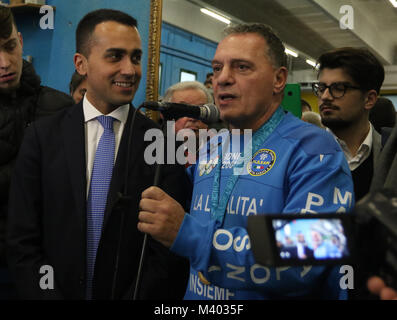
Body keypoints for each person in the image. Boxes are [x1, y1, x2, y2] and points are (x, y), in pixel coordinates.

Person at [138, 23, 354, 300]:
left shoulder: (315, 150)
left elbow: (307, 257)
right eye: (217, 68)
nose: (223, 79)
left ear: (279, 80)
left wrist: (189, 235)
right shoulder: (211, 147)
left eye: (241, 67)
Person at [7, 9, 190, 300]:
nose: (130, 70)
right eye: (115, 56)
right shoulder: (42, 137)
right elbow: (21, 239)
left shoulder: (164, 144)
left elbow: (167, 253)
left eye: (136, 57)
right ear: (81, 64)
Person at [0, 7, 74, 299]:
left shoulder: (63, 109)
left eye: (9, 47)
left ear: (20, 41)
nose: (4, 63)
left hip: (48, 268)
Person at [313, 47, 384, 201]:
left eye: (339, 89)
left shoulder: (389, 157)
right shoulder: (302, 152)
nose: (325, 96)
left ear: (369, 99)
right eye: (321, 88)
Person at [162, 81, 213, 166]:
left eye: (200, 110)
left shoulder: (223, 148)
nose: (193, 118)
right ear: (168, 115)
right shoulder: (157, 150)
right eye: (184, 110)